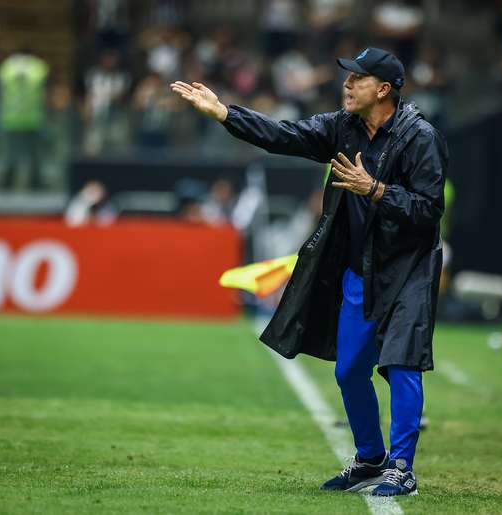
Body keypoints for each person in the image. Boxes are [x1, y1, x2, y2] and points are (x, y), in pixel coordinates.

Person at [171, 46, 447, 497]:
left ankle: (401, 468)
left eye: (357, 78)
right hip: (361, 268)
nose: (347, 84)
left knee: (401, 364)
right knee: (349, 371)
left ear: (383, 89)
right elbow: (285, 135)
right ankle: (370, 458)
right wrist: (226, 113)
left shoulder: (421, 137)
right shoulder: (344, 127)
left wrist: (376, 190)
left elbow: (429, 208)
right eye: (348, 77)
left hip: (409, 268)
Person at [0, 48, 49, 190]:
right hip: (33, 118)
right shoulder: (38, 67)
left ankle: (7, 185)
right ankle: (35, 185)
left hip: (12, 118)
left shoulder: (7, 66)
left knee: (11, 155)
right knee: (34, 156)